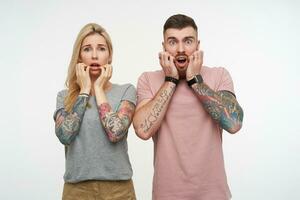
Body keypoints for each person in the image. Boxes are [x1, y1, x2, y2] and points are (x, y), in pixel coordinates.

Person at [133, 14, 244, 200]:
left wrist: (195, 81)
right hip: (167, 195)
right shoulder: (148, 79)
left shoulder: (219, 75)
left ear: (198, 46)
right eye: (173, 42)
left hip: (213, 194)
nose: (181, 49)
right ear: (164, 47)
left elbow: (234, 123)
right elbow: (143, 131)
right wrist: (170, 79)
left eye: (188, 41)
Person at [53, 23, 136, 200]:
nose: (95, 55)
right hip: (76, 190)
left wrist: (98, 88)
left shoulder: (126, 91)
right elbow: (65, 136)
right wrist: (84, 91)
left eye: (101, 48)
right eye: (87, 49)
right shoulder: (64, 96)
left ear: (110, 56)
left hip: (118, 190)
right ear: (79, 56)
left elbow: (116, 133)